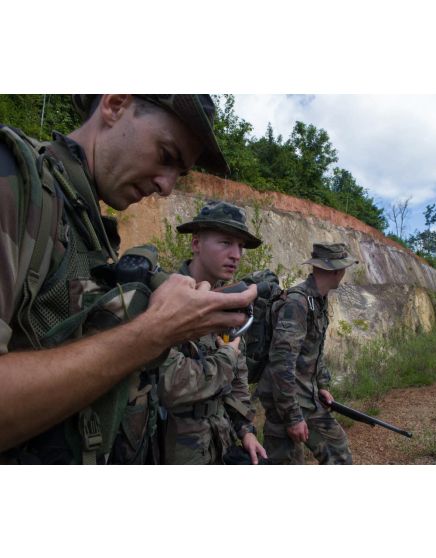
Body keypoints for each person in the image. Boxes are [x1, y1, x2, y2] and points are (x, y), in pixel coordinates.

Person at [0, 94, 257, 464]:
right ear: (115, 103)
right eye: (166, 155)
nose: (167, 186)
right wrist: (153, 332)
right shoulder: (15, 180)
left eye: (180, 173)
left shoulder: (84, 223)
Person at [158, 201, 267, 464]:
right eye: (226, 242)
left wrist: (246, 431)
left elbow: (238, 379)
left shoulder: (228, 301)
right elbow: (171, 384)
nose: (236, 255)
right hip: (178, 449)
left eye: (240, 246)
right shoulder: (166, 298)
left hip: (221, 439)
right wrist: (227, 355)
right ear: (196, 244)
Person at [257, 243, 356, 464]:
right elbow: (281, 363)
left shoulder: (317, 300)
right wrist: (292, 417)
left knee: (339, 455)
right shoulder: (297, 303)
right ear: (337, 271)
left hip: (307, 398)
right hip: (285, 403)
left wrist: (321, 384)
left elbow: (313, 349)